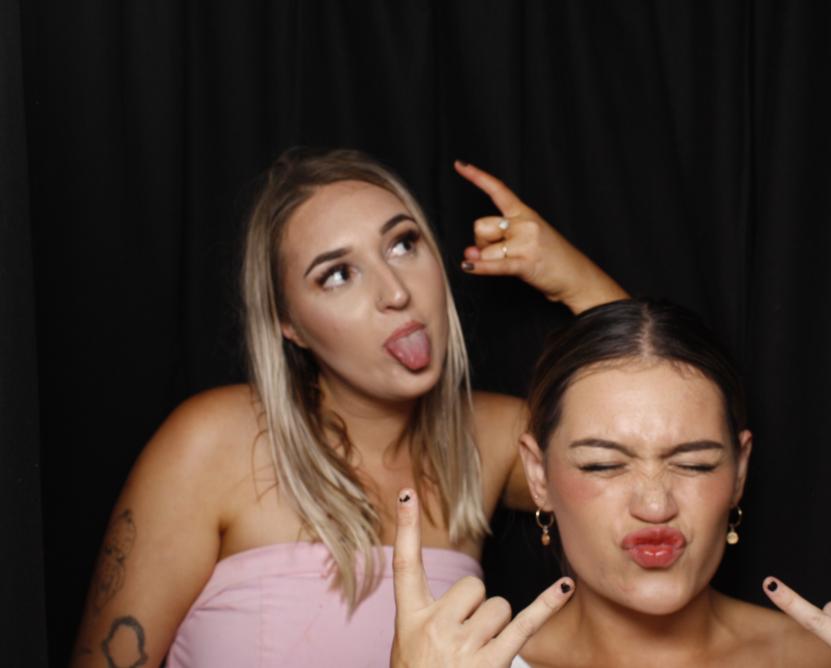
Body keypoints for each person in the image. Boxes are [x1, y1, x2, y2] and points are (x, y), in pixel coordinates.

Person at [71, 147, 627, 668]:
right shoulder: (212, 443)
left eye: (403, 245)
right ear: (289, 324)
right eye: (337, 275)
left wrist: (574, 282)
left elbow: (664, 446)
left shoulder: (486, 440)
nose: (395, 292)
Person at [390, 299, 831, 667]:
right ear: (539, 475)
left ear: (739, 471)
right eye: (604, 465)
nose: (655, 504)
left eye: (694, 464)